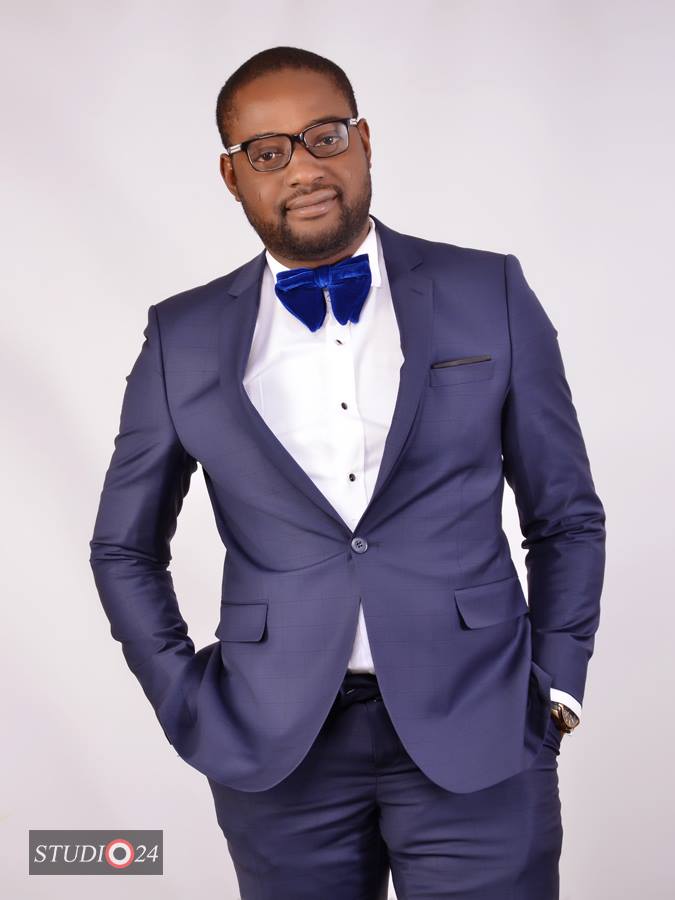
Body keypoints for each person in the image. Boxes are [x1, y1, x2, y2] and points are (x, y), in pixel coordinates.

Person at [89, 45, 606, 899]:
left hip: (480, 726)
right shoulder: (181, 336)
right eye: (268, 152)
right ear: (231, 175)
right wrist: (182, 695)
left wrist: (557, 684)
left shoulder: (488, 291)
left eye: (324, 136)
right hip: (276, 747)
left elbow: (565, 515)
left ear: (364, 140)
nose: (303, 168)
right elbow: (124, 548)